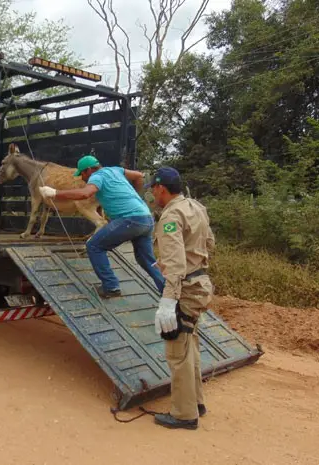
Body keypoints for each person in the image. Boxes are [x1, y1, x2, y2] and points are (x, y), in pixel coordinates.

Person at [145, 166, 216, 430]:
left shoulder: (170, 215)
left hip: (185, 289)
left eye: (153, 189)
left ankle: (185, 415)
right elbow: (208, 243)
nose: (152, 194)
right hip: (200, 282)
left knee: (177, 352)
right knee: (190, 346)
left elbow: (175, 265)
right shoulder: (195, 207)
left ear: (161, 188)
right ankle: (195, 402)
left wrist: (168, 300)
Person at [38, 154, 165, 297]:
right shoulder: (115, 170)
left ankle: (111, 286)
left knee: (94, 245)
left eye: (82, 174)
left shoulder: (96, 176)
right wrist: (133, 194)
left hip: (130, 219)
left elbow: (85, 194)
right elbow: (139, 176)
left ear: (88, 170)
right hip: (146, 218)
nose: (82, 178)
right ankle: (168, 292)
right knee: (147, 260)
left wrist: (55, 193)